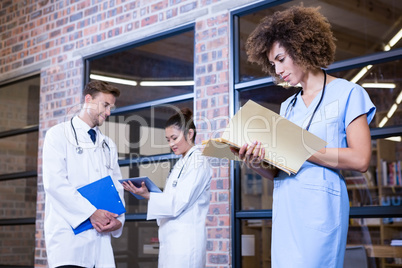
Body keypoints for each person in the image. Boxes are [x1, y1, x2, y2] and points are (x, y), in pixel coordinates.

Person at [233, 6, 376, 268]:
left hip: (322, 207)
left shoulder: (348, 93)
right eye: (273, 64)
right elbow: (278, 171)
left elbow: (360, 158)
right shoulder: (288, 106)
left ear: (300, 47)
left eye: (281, 59)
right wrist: (253, 160)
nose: (278, 70)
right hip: (287, 206)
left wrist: (298, 146)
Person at [42, 80, 125, 268]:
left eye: (111, 107)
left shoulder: (108, 144)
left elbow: (116, 186)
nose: (108, 112)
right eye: (105, 105)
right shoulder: (58, 135)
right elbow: (55, 184)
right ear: (88, 99)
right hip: (70, 243)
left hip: (101, 244)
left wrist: (118, 221)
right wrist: (91, 213)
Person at [122, 108, 212, 268]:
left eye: (174, 138)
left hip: (186, 242)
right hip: (171, 239)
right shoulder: (182, 163)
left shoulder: (198, 162)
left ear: (190, 134)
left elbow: (179, 202)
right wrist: (147, 193)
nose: (171, 144)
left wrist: (149, 195)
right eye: (168, 139)